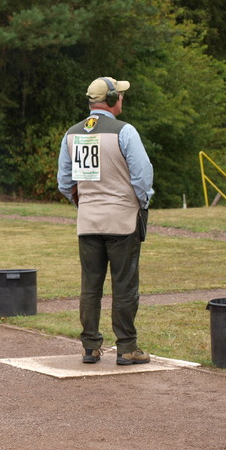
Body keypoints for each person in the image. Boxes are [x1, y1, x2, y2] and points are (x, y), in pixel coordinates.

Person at [57, 77, 154, 365]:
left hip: (88, 221)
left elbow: (65, 182)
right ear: (112, 100)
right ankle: (126, 347)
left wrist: (84, 204)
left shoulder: (72, 134)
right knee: (124, 285)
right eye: (120, 96)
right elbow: (142, 175)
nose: (122, 100)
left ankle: (90, 346)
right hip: (122, 221)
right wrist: (140, 202)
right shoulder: (125, 132)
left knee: (91, 285)